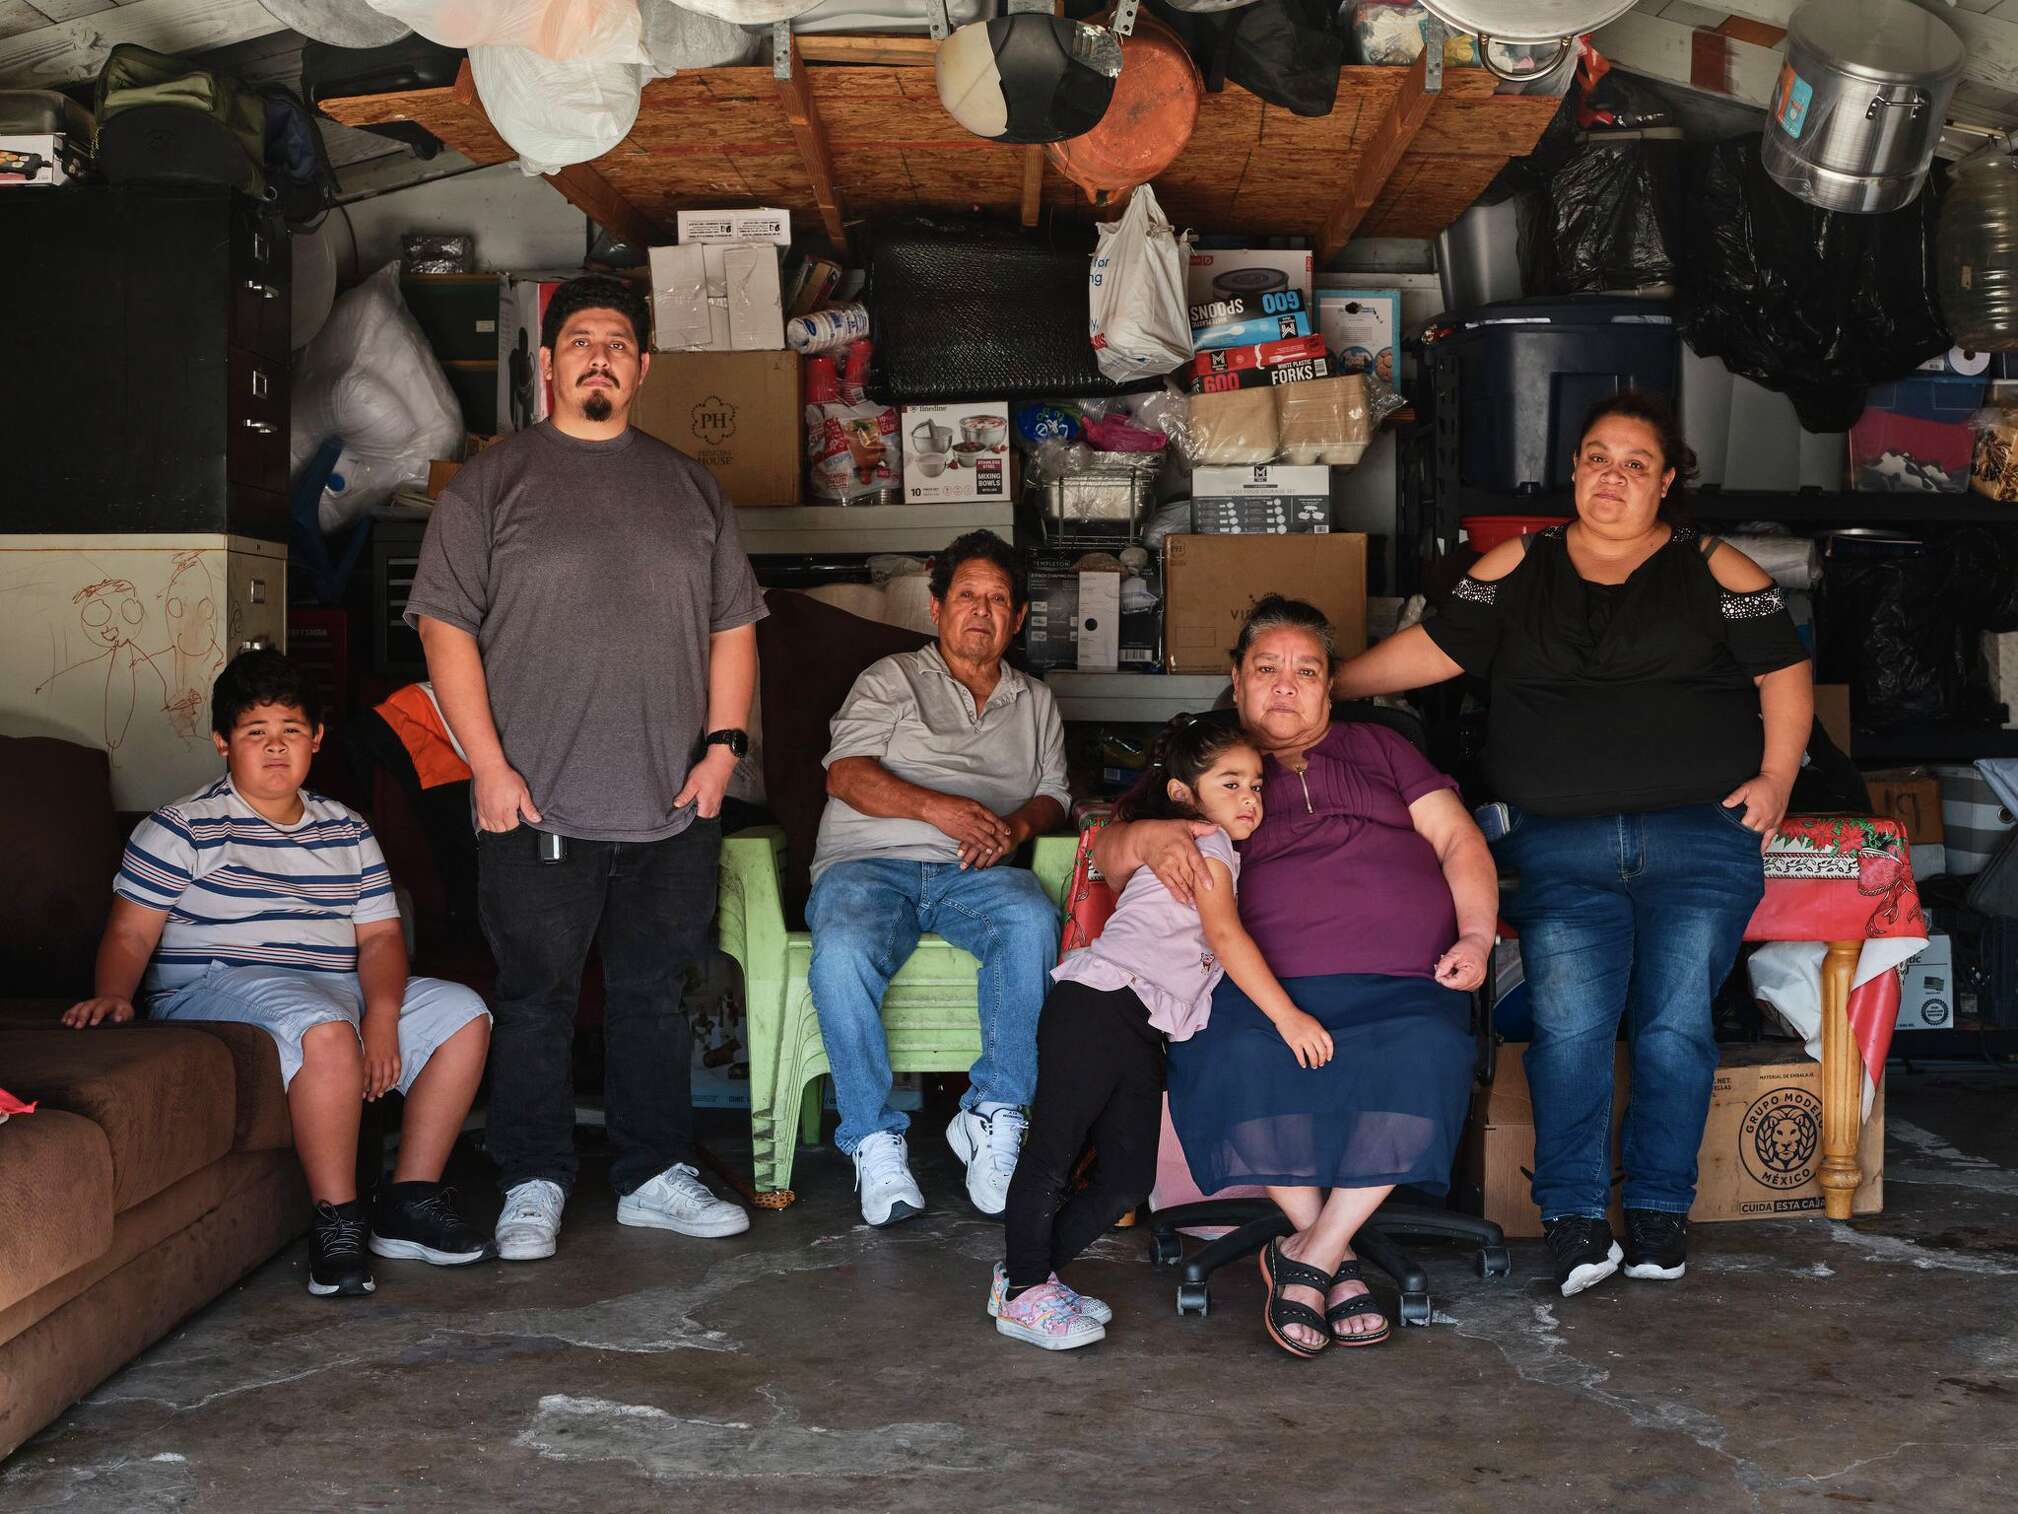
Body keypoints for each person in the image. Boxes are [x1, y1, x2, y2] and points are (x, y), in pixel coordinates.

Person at [1333, 389, 1813, 1297]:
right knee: (1570, 1032)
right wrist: (1322, 688)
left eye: (1637, 463)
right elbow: (1437, 648)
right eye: (1598, 456)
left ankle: (1663, 1208)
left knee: (1674, 1032)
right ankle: (1574, 1218)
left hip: (1698, 842)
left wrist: (1780, 776)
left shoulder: (1719, 569)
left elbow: (1785, 672)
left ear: (1668, 482)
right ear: (1575, 470)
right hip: (1559, 844)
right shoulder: (1519, 563)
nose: (1613, 476)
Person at [405, 272, 763, 1262]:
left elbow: (733, 628)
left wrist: (721, 750)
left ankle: (651, 1172)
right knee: (537, 993)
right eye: (579, 342)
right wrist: (486, 764)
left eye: (616, 342)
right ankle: (530, 1177)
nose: (598, 355)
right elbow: (444, 633)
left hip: (671, 796)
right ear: (550, 366)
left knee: (655, 992)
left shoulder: (691, 488)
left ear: (641, 368)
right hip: (533, 798)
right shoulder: (492, 482)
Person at [1095, 596, 1495, 1358]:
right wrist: (1147, 834)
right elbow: (1108, 853)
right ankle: (1334, 1262)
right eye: (1266, 669)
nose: (1285, 685)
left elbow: (1459, 841)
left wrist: (1475, 936)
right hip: (1260, 989)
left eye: (1305, 671)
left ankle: (1310, 1254)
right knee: (1234, 1051)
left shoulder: (1382, 749)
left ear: (1331, 686)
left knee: (1429, 1051)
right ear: (1236, 681)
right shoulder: (1211, 761)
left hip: (1404, 980)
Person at [62, 650, 493, 1299]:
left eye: (290, 732)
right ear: (221, 742)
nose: (273, 749)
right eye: (254, 733)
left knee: (463, 1012)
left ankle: (407, 1201)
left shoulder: (346, 830)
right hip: (218, 986)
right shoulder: (180, 829)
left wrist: (380, 1015)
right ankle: (337, 1221)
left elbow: (379, 938)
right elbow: (129, 932)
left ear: (316, 741)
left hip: (330, 987)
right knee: (324, 1028)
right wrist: (115, 995)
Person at [993, 716, 1326, 1350]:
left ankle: (1022, 1277)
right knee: (1053, 1154)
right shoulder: (1205, 846)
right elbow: (1225, 938)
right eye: (1230, 785)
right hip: (1097, 1004)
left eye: (1256, 785)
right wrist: (1289, 1016)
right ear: (1182, 793)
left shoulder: (1212, 846)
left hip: (1139, 1022)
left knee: (1126, 1177)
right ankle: (1024, 1291)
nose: (1250, 799)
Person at [808, 530, 1071, 1227]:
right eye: (966, 596)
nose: (980, 611)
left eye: (997, 599)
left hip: (976, 875)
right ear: (936, 608)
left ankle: (993, 1111)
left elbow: (1053, 796)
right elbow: (847, 774)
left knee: (1033, 919)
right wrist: (940, 810)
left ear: (1017, 619)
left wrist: (1013, 830)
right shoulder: (891, 679)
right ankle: (870, 1134)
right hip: (869, 865)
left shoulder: (1036, 701)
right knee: (840, 950)